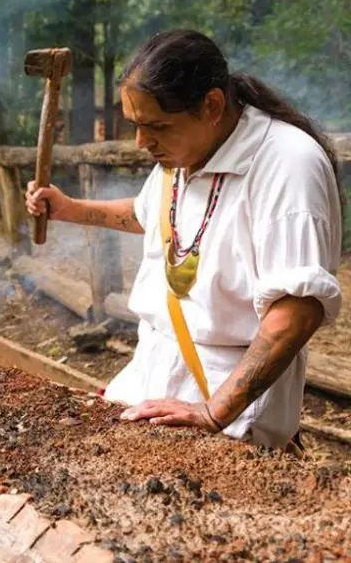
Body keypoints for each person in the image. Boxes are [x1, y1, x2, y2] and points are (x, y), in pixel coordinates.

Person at [26, 30, 344, 450]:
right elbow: (155, 216)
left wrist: (212, 412)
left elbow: (296, 312)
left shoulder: (288, 165)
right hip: (149, 379)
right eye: (136, 125)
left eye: (156, 126)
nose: (142, 142)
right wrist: (69, 208)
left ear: (211, 106)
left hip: (230, 413)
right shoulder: (184, 151)